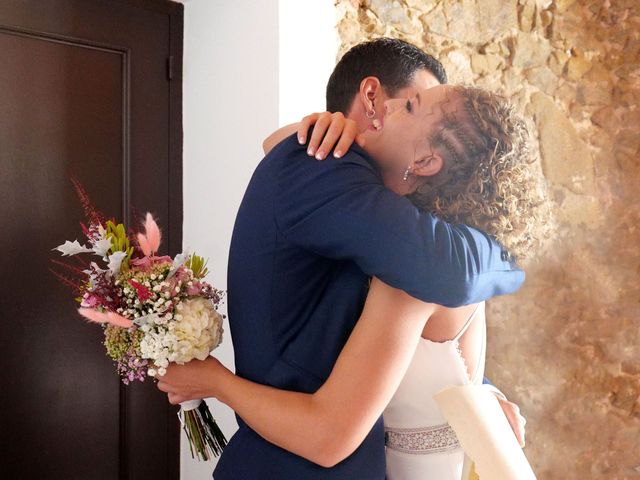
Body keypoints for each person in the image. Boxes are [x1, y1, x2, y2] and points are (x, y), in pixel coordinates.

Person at [157, 39, 531, 479]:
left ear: (428, 161)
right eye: (408, 100)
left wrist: (477, 392)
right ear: (370, 97)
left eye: (410, 108)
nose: (395, 109)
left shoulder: (409, 240)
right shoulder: (318, 168)